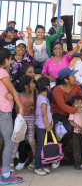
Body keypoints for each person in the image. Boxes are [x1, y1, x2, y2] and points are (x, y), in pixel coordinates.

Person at [51, 67, 82, 162]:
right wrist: (76, 109)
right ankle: (53, 154)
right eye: (72, 76)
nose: (75, 77)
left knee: (69, 130)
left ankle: (61, 148)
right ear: (66, 80)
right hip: (58, 114)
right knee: (52, 130)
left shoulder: (76, 86)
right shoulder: (57, 90)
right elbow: (62, 106)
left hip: (69, 116)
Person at [0, 48, 24, 184]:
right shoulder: (2, 71)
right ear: (6, 60)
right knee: (9, 141)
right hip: (4, 111)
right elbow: (13, 90)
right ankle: (6, 175)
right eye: (10, 58)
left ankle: (3, 172)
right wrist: (20, 105)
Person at [10, 75, 36, 173]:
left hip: (32, 118)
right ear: (26, 86)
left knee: (31, 139)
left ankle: (35, 159)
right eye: (32, 83)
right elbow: (17, 110)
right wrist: (21, 106)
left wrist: (32, 105)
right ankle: (11, 163)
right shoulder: (18, 95)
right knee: (17, 140)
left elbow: (37, 109)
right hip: (21, 119)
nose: (34, 85)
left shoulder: (34, 94)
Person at [34, 77, 53, 176]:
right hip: (42, 126)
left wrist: (51, 121)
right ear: (48, 87)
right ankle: (37, 167)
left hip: (45, 125)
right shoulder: (42, 98)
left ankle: (46, 164)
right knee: (40, 146)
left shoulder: (43, 97)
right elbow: (44, 114)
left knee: (45, 145)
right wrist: (47, 126)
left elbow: (48, 113)